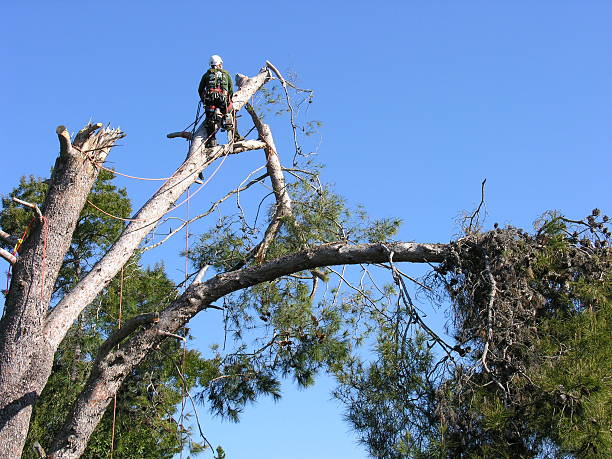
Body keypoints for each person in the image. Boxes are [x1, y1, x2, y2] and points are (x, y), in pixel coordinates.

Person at [198, 54, 235, 147]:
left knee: (210, 120)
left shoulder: (206, 75)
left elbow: (200, 89)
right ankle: (235, 136)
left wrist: (204, 100)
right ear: (220, 64)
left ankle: (211, 141)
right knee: (231, 111)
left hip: (210, 102)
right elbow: (231, 90)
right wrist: (229, 98)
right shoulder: (226, 75)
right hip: (223, 101)